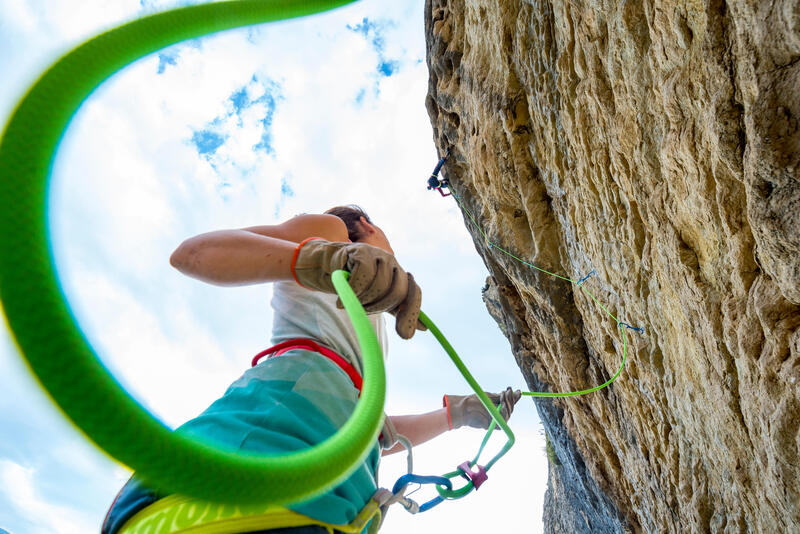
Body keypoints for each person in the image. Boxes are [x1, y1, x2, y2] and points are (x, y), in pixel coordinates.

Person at [101, 205, 522, 534]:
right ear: (366, 226)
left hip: (317, 505)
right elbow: (192, 255)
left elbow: (366, 431)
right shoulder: (333, 232)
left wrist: (457, 414)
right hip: (248, 481)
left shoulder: (367, 335)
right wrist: (324, 258)